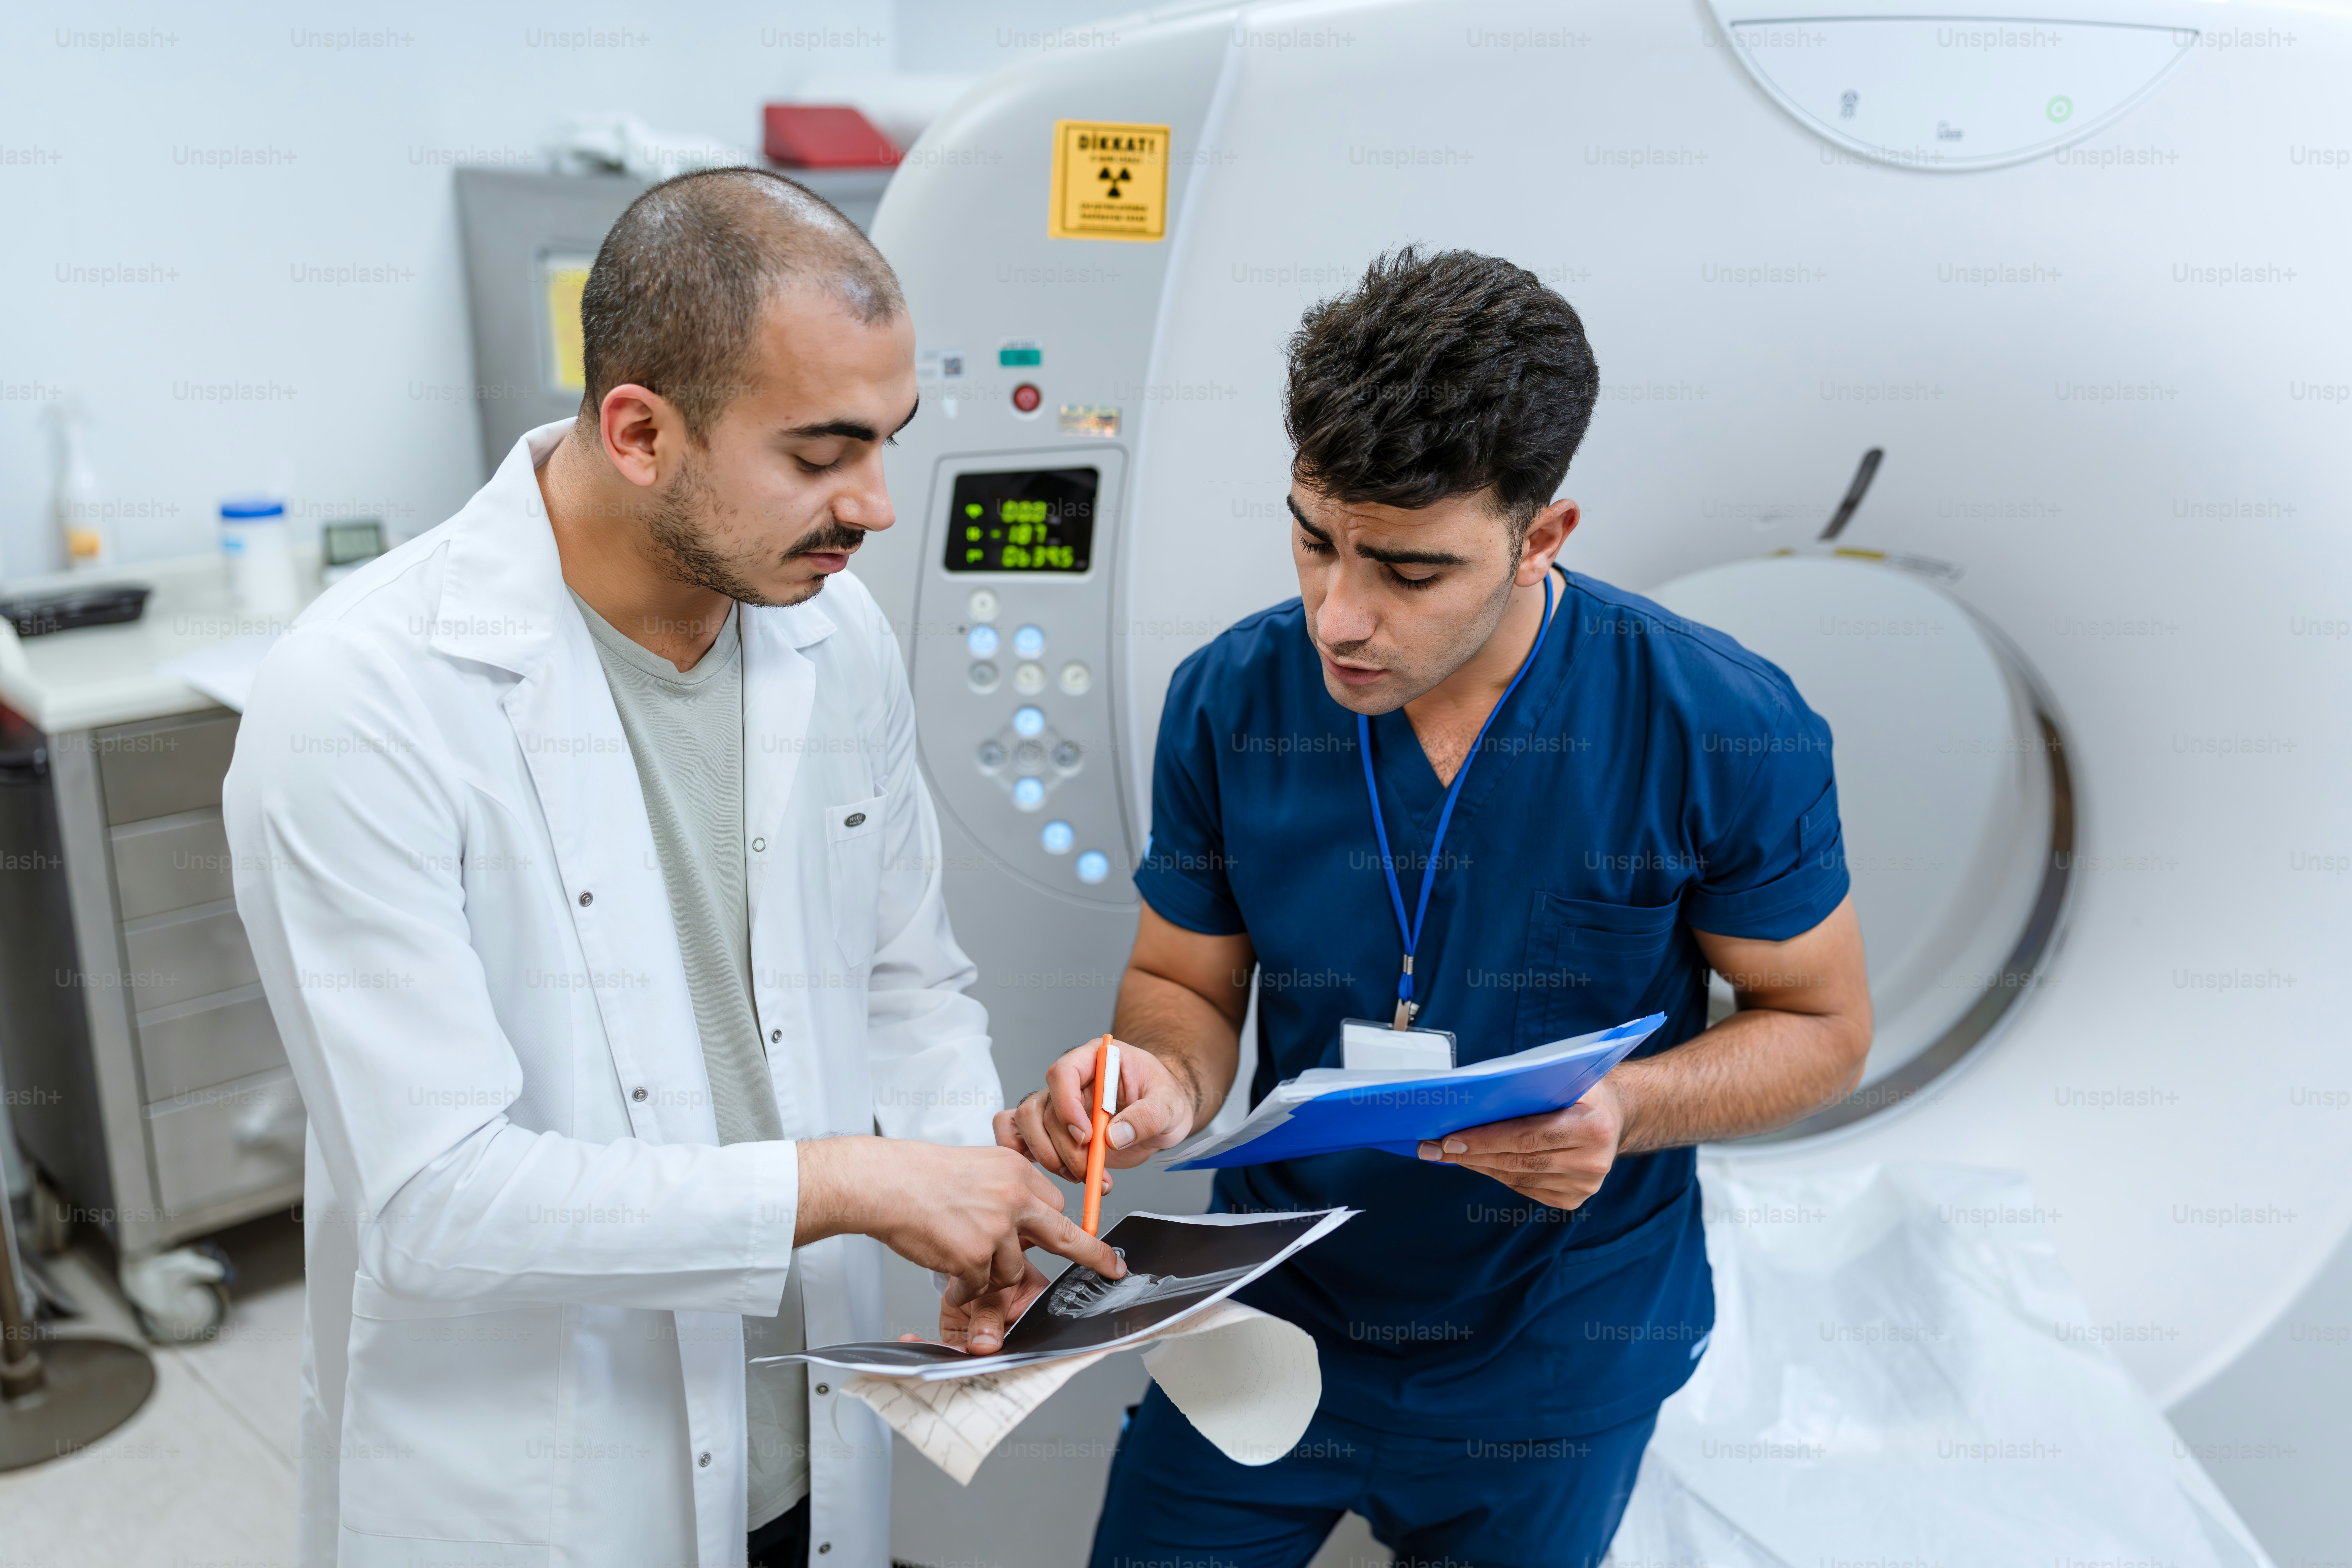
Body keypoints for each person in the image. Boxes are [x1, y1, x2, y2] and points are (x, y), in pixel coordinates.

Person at [224, 169, 1121, 1568]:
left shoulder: (836, 638)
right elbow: (439, 1202)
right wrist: (858, 1181)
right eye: (821, 456)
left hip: (813, 1426)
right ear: (639, 430)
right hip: (554, 1482)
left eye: (886, 443)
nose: (877, 506)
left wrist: (966, 1192)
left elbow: (904, 977)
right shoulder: (362, 702)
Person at [995, 248, 1874, 1568]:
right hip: (1269, 1310)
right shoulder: (1233, 699)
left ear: (1543, 539)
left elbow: (1823, 1024)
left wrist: (1627, 1110)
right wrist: (1157, 1085)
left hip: (1559, 1352)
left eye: (1408, 572)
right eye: (1312, 538)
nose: (1338, 614)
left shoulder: (1717, 724)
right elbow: (1184, 983)